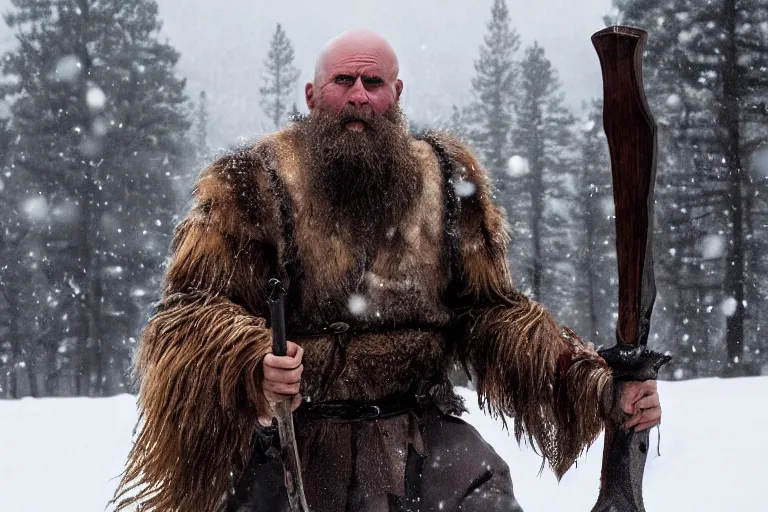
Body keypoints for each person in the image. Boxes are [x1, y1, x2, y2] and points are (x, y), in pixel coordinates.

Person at [113, 29, 662, 512]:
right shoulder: (250, 185)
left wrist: (594, 383)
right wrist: (249, 362)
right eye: (343, 81)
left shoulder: (446, 182)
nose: (358, 96)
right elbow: (186, 314)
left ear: (397, 95)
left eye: (373, 83)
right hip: (294, 438)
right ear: (311, 96)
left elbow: (492, 315)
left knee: (485, 501)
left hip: (420, 438)